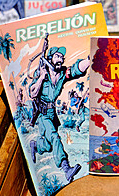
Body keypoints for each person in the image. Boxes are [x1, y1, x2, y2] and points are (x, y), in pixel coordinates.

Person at [29, 41, 89, 182]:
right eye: (57, 56)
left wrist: (89, 60)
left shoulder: (62, 74)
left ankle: (36, 144)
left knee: (49, 145)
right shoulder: (41, 73)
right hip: (42, 114)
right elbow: (32, 93)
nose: (60, 59)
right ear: (50, 58)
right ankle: (66, 168)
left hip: (52, 113)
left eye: (62, 57)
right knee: (55, 137)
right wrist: (41, 79)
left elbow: (75, 70)